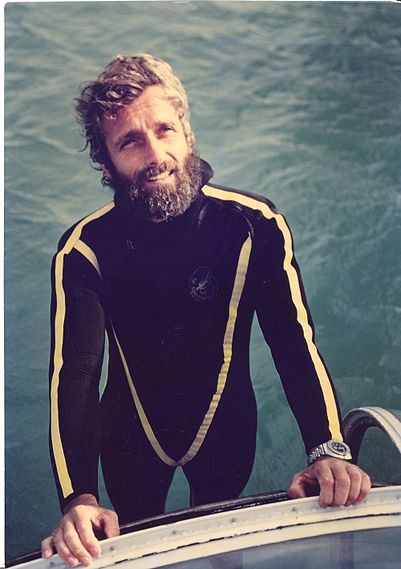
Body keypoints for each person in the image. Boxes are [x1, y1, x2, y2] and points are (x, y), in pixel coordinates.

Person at [41, 54, 370, 567]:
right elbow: (75, 378)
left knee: (222, 556)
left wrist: (326, 450)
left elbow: (293, 342)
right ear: (106, 164)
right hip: (131, 440)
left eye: (164, 130)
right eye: (130, 141)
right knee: (134, 552)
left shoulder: (253, 225)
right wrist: (78, 498)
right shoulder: (84, 251)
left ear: (187, 133)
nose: (156, 154)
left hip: (224, 428)